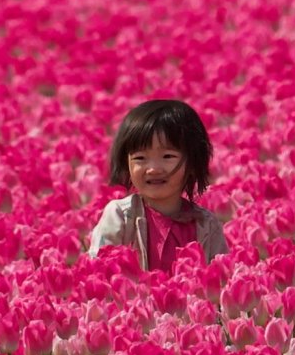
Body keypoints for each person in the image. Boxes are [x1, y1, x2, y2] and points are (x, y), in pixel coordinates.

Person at [88, 100, 228, 271]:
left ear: (192, 162)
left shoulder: (206, 225)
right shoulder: (121, 217)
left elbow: (221, 277)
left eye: (167, 156)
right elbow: (97, 271)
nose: (153, 169)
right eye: (140, 158)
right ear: (126, 163)